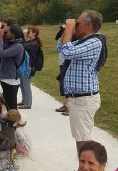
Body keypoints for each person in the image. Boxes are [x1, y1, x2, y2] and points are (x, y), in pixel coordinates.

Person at [57, 10, 106, 154]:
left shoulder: (95, 42)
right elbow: (60, 47)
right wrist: (67, 31)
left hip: (84, 99)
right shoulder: (85, 40)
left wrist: (70, 30)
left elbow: (67, 52)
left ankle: (86, 165)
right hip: (79, 98)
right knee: (81, 137)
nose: (75, 26)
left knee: (83, 139)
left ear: (88, 25)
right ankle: (86, 165)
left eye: (78, 23)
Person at [0, 24, 24, 110]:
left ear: (13, 34)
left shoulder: (17, 46)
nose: (5, 33)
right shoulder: (10, 43)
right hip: (5, 78)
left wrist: (0, 39)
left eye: (7, 32)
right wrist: (0, 37)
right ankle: (10, 121)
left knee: (11, 106)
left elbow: (0, 54)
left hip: (11, 80)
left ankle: (14, 121)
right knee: (6, 104)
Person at [18, 26, 43, 109]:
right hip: (24, 67)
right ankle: (24, 100)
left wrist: (23, 35)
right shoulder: (31, 42)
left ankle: (28, 103)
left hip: (28, 67)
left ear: (34, 33)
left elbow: (22, 46)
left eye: (29, 32)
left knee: (26, 85)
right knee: (22, 84)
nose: (28, 33)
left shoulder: (34, 44)